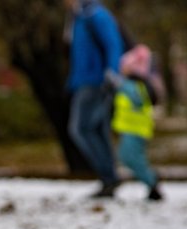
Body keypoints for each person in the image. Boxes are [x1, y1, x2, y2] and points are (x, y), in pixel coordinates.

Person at [64, 0, 123, 198]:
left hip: (96, 81)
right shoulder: (78, 17)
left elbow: (113, 42)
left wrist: (112, 72)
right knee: (97, 129)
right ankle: (109, 178)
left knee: (80, 128)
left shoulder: (94, 15)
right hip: (84, 80)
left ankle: (108, 176)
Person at [112, 45, 163, 201]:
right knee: (130, 157)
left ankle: (151, 179)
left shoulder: (133, 86)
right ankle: (151, 181)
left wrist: (118, 85)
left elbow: (136, 100)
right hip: (131, 128)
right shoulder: (132, 85)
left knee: (129, 157)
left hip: (135, 129)